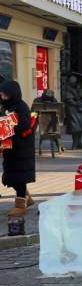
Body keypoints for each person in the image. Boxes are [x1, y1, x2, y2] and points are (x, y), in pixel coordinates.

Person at [0, 80, 35, 215]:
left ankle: (21, 205)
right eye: (1, 95)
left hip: (21, 147)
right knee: (10, 176)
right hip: (9, 145)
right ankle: (27, 198)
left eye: (5, 95)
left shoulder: (22, 107)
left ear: (12, 94)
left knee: (19, 176)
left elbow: (26, 125)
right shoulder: (4, 106)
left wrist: (9, 127)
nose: (3, 98)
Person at [63, 74, 82, 149]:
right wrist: (78, 104)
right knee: (75, 128)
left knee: (80, 128)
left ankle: (79, 143)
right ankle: (75, 144)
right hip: (73, 111)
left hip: (80, 111)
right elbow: (70, 100)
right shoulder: (69, 91)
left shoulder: (79, 89)